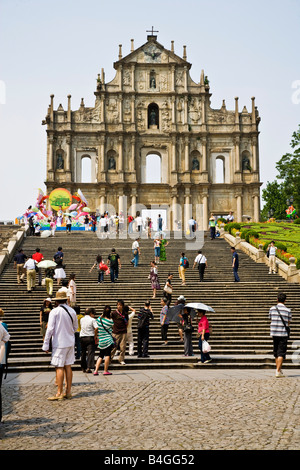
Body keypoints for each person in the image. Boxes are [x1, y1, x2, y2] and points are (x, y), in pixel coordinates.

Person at [42, 291, 78, 400]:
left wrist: (46, 344)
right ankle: (68, 391)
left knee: (59, 367)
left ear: (56, 301)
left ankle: (59, 393)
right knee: (68, 366)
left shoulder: (55, 311)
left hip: (59, 342)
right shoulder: (72, 311)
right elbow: (75, 328)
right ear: (66, 300)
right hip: (70, 342)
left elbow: (50, 329)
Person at [269, 293, 292, 378]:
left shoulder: (272, 309)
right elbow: (289, 322)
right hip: (283, 333)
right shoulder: (288, 310)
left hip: (274, 332)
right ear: (285, 300)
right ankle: (278, 371)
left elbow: (270, 318)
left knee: (276, 352)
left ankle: (278, 369)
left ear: (277, 299)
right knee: (281, 352)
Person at [94, 305, 114, 376]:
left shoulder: (99, 319)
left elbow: (99, 319)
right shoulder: (110, 321)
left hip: (101, 339)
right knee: (107, 355)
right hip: (108, 339)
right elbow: (113, 327)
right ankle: (105, 370)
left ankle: (96, 370)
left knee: (100, 355)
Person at [79, 307, 98, 373]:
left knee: (83, 353)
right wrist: (95, 335)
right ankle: (89, 367)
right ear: (90, 313)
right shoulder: (92, 320)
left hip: (82, 337)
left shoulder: (82, 319)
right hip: (90, 337)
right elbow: (96, 328)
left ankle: (83, 367)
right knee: (90, 353)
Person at [110, 300, 128, 365]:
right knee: (113, 347)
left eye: (120, 305)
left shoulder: (125, 313)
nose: (119, 306)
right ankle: (109, 359)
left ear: (122, 306)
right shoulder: (114, 313)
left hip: (123, 332)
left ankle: (121, 359)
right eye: (118, 305)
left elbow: (127, 322)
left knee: (123, 347)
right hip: (115, 332)